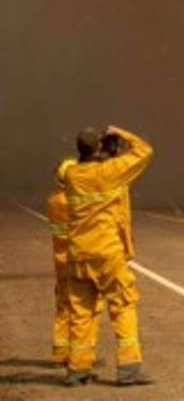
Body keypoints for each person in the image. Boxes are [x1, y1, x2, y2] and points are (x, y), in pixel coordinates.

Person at [63, 125, 153, 387]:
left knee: (81, 312)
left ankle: (78, 369)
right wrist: (121, 134)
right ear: (100, 147)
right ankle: (128, 369)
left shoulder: (71, 175)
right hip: (106, 252)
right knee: (123, 304)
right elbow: (145, 151)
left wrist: (103, 153)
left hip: (78, 254)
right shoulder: (110, 173)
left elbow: (82, 171)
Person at [45, 157, 77, 365]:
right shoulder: (76, 201)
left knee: (63, 305)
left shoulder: (54, 200)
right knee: (82, 308)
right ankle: (79, 354)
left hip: (61, 260)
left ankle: (59, 350)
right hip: (78, 259)